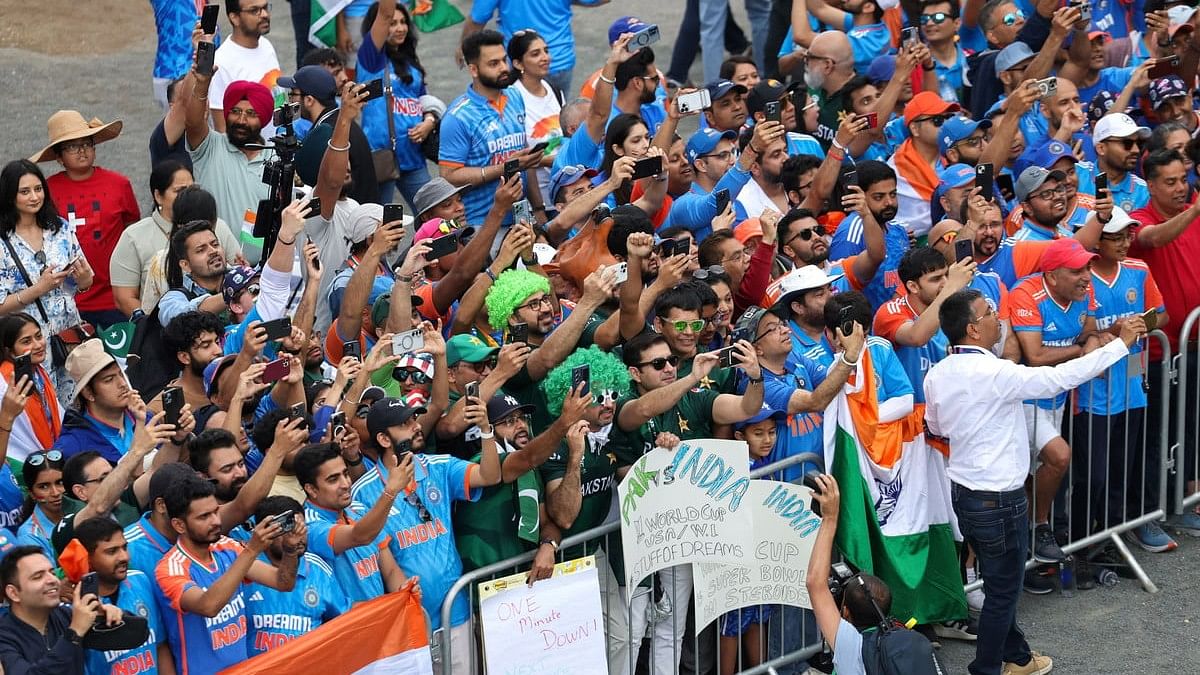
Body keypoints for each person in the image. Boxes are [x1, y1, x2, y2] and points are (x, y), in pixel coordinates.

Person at [925, 288, 1146, 675]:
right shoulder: (997, 373)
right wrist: (1121, 346)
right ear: (974, 330)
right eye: (990, 312)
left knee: (998, 584)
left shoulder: (938, 373)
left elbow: (937, 426)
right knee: (1003, 592)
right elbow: (1058, 378)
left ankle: (1020, 658)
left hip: (964, 494)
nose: (998, 316)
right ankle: (988, 669)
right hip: (999, 499)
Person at [352, 396, 501, 671]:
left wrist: (486, 430)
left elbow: (490, 476)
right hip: (409, 625)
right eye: (405, 424)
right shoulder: (363, 492)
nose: (416, 426)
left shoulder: (439, 466)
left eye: (414, 419)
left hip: (457, 614)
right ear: (384, 440)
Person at [156, 473, 303, 672]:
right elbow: (208, 606)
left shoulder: (227, 547)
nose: (216, 521)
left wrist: (290, 550)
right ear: (179, 525)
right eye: (204, 517)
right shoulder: (169, 569)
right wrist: (252, 550)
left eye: (215, 512)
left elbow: (283, 582)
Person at [1129, 149, 1200, 532]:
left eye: (1182, 179)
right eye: (1169, 182)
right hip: (1156, 352)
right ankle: (1148, 514)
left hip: (1192, 345)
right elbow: (1153, 240)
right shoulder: (1140, 220)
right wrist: (1193, 211)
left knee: (1190, 427)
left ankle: (1186, 500)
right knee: (1154, 436)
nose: (1179, 188)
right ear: (1151, 185)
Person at [0, 160, 94, 401]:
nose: (34, 197)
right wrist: (38, 289)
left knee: (80, 403)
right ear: (10, 195)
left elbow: (80, 282)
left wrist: (84, 280)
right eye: (25, 191)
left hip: (69, 334)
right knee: (41, 409)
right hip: (29, 342)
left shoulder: (59, 228)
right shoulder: (2, 241)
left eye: (38, 188)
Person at [31, 111, 135, 328]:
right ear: (59, 157)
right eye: (71, 146)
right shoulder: (46, 191)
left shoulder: (119, 184)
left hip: (114, 297)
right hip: (66, 299)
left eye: (87, 143)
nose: (81, 150)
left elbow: (132, 233)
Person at [109, 162, 242, 318]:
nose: (212, 251)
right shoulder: (137, 240)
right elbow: (135, 304)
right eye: (179, 191)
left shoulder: (221, 228)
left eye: (214, 244)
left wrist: (244, 274)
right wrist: (236, 290)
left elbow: (235, 267)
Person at [439, 29, 540, 230]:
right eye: (494, 64)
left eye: (504, 60)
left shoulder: (515, 97)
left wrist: (538, 208)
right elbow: (448, 176)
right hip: (481, 225)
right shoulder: (458, 117)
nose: (504, 68)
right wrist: (504, 168)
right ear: (473, 70)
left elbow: (525, 162)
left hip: (522, 218)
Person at [185, 47, 276, 264]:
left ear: (263, 120)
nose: (242, 120)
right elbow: (193, 122)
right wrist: (203, 83)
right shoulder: (210, 147)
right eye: (235, 111)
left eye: (251, 114)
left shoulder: (276, 160)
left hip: (263, 274)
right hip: (211, 270)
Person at [296, 441, 410, 604]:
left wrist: (407, 594)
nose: (345, 484)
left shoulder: (359, 509)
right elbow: (360, 536)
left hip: (382, 619)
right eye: (333, 479)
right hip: (349, 626)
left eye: (346, 474)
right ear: (311, 489)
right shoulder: (307, 526)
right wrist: (390, 491)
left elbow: (390, 571)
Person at [805, 474, 895, 675]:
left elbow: (815, 583)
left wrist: (830, 518)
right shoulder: (901, 639)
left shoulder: (851, 646)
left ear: (846, 612)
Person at [357, 0, 439, 206]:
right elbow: (384, 14)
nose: (400, 28)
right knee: (381, 224)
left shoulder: (410, 61)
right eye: (392, 23)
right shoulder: (370, 57)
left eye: (403, 22)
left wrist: (429, 121)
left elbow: (423, 100)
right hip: (381, 156)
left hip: (413, 155)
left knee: (433, 213)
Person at [245, 496, 349, 655]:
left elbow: (345, 619)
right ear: (265, 532)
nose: (296, 538)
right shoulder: (244, 571)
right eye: (289, 529)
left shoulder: (319, 570)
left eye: (301, 528)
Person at [73, 516, 174, 675]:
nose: (124, 557)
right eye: (112, 551)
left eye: (124, 548)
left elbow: (160, 646)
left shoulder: (140, 581)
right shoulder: (76, 608)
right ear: (87, 558)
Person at [0, 546, 123, 675]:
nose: (52, 580)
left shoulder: (67, 615)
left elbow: (134, 635)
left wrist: (110, 617)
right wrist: (74, 632)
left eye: (52, 573)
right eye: (38, 577)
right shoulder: (4, 636)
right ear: (13, 593)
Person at [286, 65, 380, 206]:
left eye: (293, 94)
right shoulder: (340, 122)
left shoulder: (327, 132)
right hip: (363, 211)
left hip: (350, 218)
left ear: (309, 100)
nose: (290, 101)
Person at [508, 30, 564, 210]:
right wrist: (538, 208)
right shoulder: (512, 99)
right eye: (535, 53)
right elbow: (516, 156)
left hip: (564, 193)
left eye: (546, 51)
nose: (545, 57)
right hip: (536, 201)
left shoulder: (555, 90)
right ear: (517, 63)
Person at [208, 0, 281, 135]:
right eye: (254, 10)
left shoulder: (266, 45)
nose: (264, 14)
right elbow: (223, 131)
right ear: (234, 18)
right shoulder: (221, 64)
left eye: (265, 7)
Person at [0, 313, 63, 460]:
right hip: (21, 463)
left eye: (39, 336)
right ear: (9, 350)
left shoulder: (39, 371)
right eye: (26, 341)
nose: (38, 345)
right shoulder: (4, 384)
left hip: (52, 454)